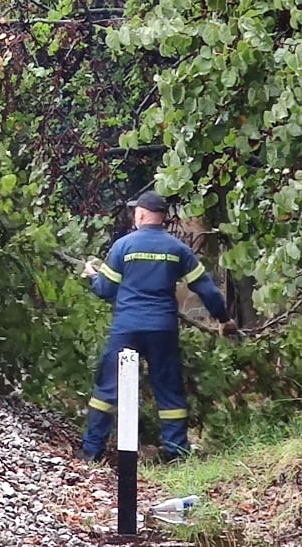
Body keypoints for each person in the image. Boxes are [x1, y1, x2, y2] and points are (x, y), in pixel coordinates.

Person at [79, 190, 238, 463]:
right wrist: (224, 320)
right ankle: (176, 453)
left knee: (107, 389)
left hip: (126, 328)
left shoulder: (123, 247)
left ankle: (92, 452)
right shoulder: (178, 250)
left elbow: (105, 290)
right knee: (168, 389)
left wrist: (93, 275)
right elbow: (207, 290)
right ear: (162, 218)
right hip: (163, 328)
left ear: (140, 214)